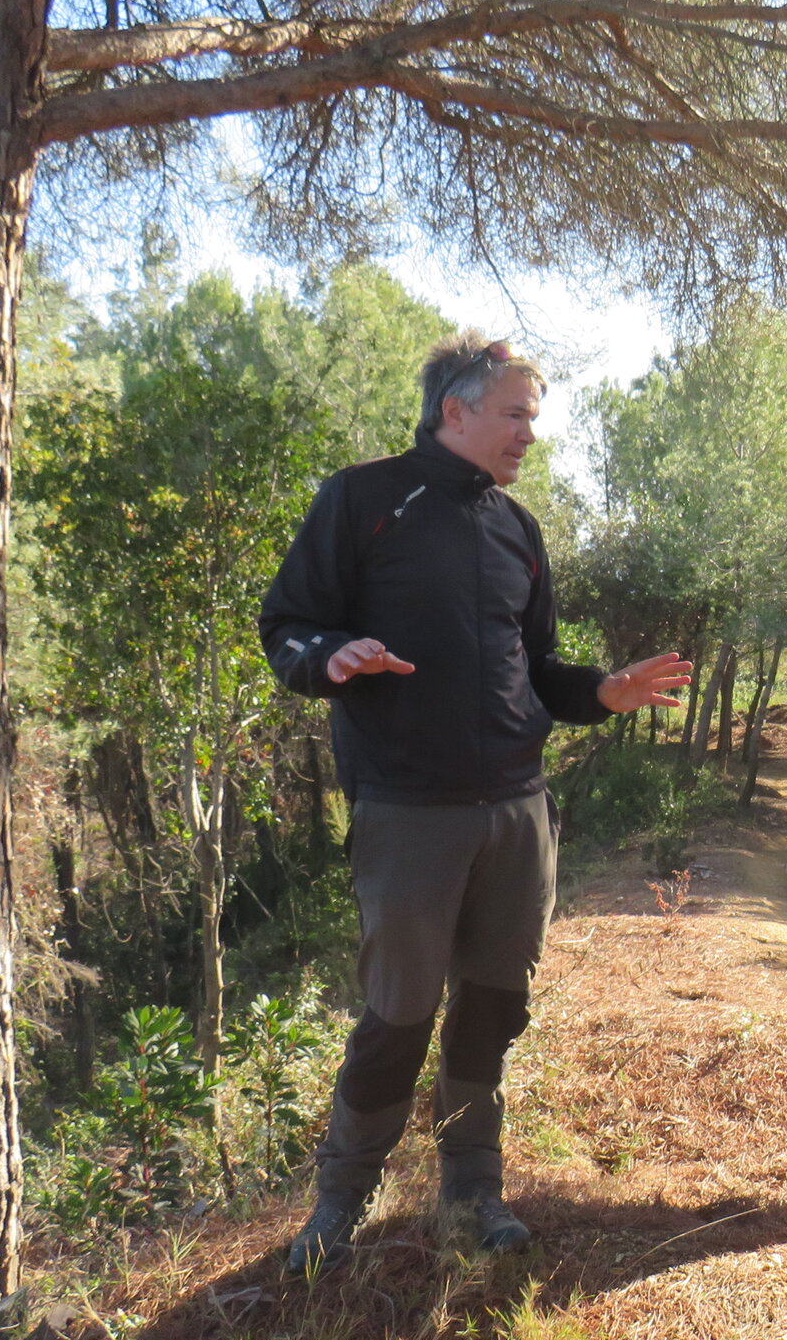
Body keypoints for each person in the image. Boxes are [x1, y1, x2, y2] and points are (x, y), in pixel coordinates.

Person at [259, 334, 690, 1268]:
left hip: (517, 810)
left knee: (494, 1005)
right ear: (455, 411)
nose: (530, 433)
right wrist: (327, 658)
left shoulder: (516, 528)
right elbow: (287, 623)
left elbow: (535, 669)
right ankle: (342, 1198)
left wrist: (600, 693)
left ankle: (471, 1188)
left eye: (533, 417)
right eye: (516, 414)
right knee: (399, 1011)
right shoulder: (363, 499)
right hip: (408, 810)